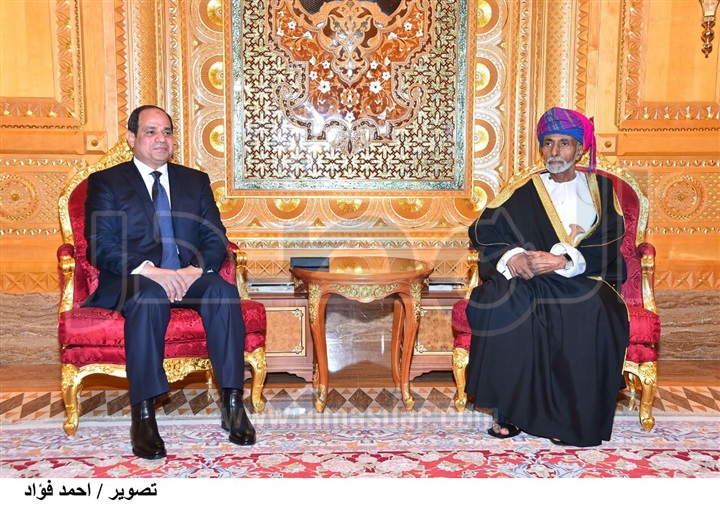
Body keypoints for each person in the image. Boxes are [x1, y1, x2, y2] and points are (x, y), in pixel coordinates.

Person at [84, 105, 256, 459]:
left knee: (223, 293)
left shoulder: (195, 181)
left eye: (166, 132)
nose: (160, 139)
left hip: (187, 275)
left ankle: (233, 404)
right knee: (148, 298)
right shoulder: (107, 182)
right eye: (150, 131)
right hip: (136, 278)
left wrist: (195, 270)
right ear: (131, 138)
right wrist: (152, 271)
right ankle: (144, 415)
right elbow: (101, 245)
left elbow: (215, 238)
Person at [464, 107, 629, 447]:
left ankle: (570, 417)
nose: (555, 151)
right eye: (548, 143)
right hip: (529, 277)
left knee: (589, 308)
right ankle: (508, 410)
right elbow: (483, 229)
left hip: (582, 276)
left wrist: (563, 260)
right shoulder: (525, 188)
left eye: (564, 143)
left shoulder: (600, 188)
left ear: (579, 150)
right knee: (503, 303)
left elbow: (610, 239)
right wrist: (512, 256)